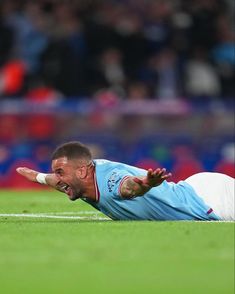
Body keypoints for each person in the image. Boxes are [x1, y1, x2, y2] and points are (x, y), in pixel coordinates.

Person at [16, 141, 235, 221]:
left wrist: (145, 184)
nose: (58, 179)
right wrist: (38, 177)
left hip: (211, 202)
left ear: (82, 171)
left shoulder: (110, 183)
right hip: (197, 188)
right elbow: (58, 181)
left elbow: (128, 187)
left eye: (60, 172)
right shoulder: (80, 178)